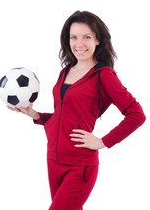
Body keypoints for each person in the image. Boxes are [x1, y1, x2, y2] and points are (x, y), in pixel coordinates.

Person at [8, 11, 146, 210]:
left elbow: (137, 114)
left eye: (86, 37)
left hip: (79, 165)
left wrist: (103, 141)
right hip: (53, 161)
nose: (79, 44)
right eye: (74, 37)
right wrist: (35, 115)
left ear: (98, 40)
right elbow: (63, 116)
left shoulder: (104, 75)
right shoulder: (66, 71)